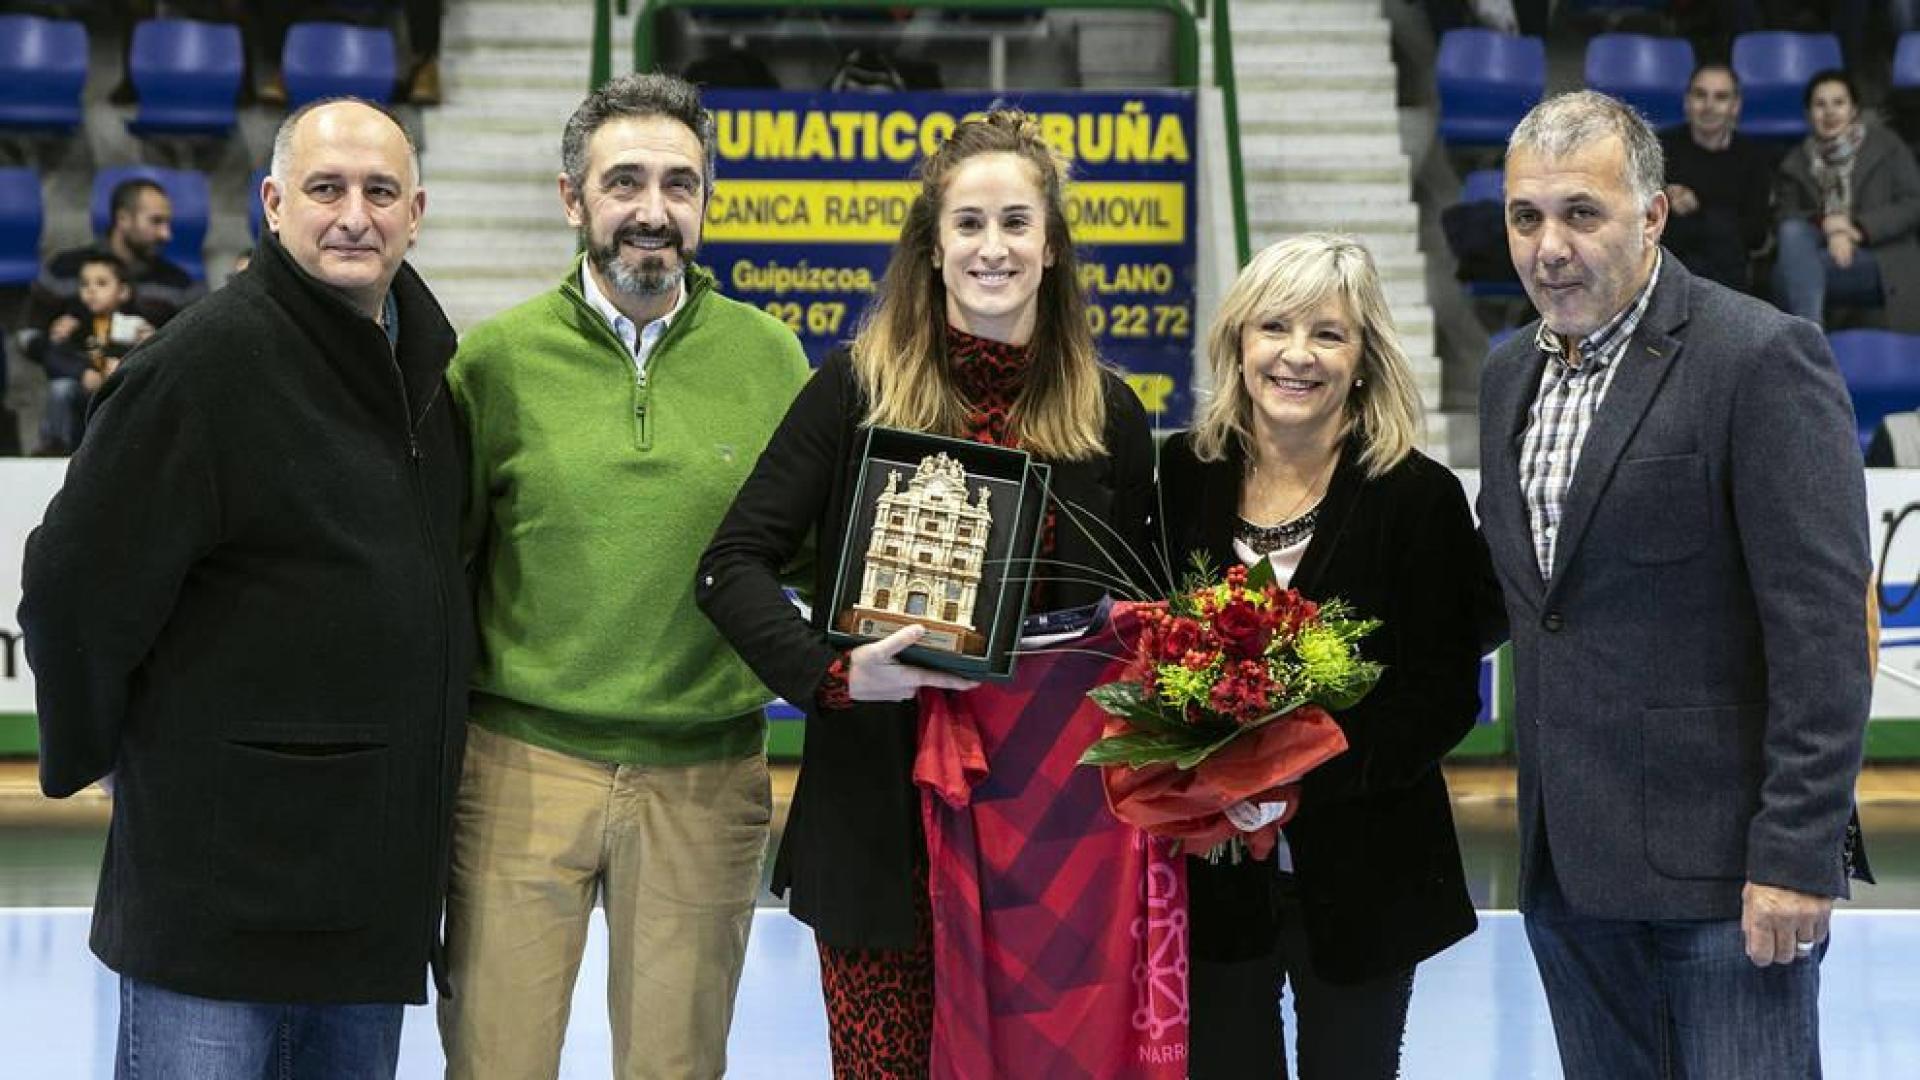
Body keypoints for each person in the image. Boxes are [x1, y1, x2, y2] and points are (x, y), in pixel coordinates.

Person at [696, 109, 1156, 1077]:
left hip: (1052, 841)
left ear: (1052, 247)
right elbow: (728, 565)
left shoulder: (1109, 412)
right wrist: (831, 674)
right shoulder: (854, 390)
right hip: (881, 833)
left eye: (1017, 223)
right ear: (933, 249)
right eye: (970, 225)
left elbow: (1141, 612)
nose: (994, 248)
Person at [18, 97, 469, 1080]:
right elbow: (68, 587)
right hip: (217, 895)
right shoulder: (199, 368)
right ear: (272, 204)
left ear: (417, 213)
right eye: (326, 188)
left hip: (365, 898)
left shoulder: (431, 372)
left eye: (381, 191)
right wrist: (102, 745)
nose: (355, 213)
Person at [1480, 90, 1872, 1080]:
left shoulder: (1760, 357)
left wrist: (1796, 852)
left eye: (1582, 212)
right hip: (1567, 875)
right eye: (1526, 217)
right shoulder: (1505, 376)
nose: (1548, 247)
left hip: (1727, 884)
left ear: (1652, 215)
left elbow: (1823, 632)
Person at [435, 72, 811, 1080]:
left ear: (706, 202)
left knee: (677, 1069)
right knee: (494, 1063)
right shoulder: (495, 363)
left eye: (680, 185)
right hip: (519, 763)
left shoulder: (773, 359)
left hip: (707, 773)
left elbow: (813, 557)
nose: (653, 211)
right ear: (574, 200)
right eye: (625, 183)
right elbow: (446, 561)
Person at [1159, 233, 1495, 1080]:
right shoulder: (1176, 477)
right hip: (1208, 880)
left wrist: (1293, 781)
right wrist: (1215, 789)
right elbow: (1137, 656)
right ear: (1238, 342)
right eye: (1274, 328)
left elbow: (1443, 693)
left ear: (1363, 357)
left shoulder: (1419, 498)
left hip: (1370, 873)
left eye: (1328, 334)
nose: (1296, 356)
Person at [1773, 69, 1920, 331]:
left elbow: (1913, 203)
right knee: (1791, 237)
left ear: (1854, 110)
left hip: (1882, 261)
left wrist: (1856, 229)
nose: (1829, 112)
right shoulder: (1795, 162)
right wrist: (1828, 225)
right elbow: (1786, 216)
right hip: (1824, 259)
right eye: (1820, 105)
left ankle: (1806, 346)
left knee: (1788, 276)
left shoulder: (1888, 145)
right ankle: (1811, 335)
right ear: (1808, 114)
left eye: (1838, 103)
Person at [28, 177, 203, 332]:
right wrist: (57, 348)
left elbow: (195, 347)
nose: (166, 234)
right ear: (123, 219)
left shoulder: (179, 284)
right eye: (156, 221)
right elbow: (27, 335)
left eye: (167, 223)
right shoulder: (63, 269)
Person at [1659, 63, 1774, 293]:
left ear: (1735, 106)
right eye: (1700, 95)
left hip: (1726, 278)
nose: (1709, 106)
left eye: (1720, 97)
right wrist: (1665, 196)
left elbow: (1756, 235)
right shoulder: (1659, 148)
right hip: (1668, 270)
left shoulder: (1754, 157)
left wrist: (1698, 209)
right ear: (1686, 102)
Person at [22, 252, 152, 454]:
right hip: (85, 395)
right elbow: (53, 358)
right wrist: (81, 372)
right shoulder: (73, 325)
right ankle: (56, 445)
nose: (91, 290)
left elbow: (153, 364)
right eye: (85, 284)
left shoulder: (136, 325)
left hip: (121, 395)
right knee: (61, 389)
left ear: (123, 291)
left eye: (101, 283)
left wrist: (131, 361)